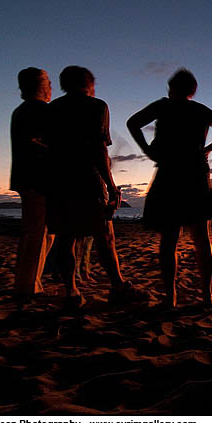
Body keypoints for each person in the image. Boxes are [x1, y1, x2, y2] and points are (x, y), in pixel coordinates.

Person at [127, 68, 212, 308]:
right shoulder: (199, 110)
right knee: (201, 238)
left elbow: (133, 123)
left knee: (169, 240)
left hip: (169, 174)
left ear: (171, 88)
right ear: (193, 90)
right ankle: (207, 296)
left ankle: (171, 298)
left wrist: (147, 149)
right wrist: (208, 148)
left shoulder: (163, 106)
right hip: (195, 175)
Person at [45, 66, 143, 308]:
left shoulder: (52, 109)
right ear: (89, 84)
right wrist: (111, 185)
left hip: (58, 180)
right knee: (104, 236)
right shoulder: (96, 107)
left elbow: (46, 145)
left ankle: (71, 291)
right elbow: (100, 149)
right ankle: (118, 286)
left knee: (65, 238)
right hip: (88, 179)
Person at [10, 67, 54, 300]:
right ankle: (29, 286)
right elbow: (43, 143)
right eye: (47, 81)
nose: (51, 86)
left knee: (34, 231)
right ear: (40, 85)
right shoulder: (39, 110)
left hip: (25, 177)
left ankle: (26, 282)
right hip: (38, 179)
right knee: (39, 231)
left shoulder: (21, 111)